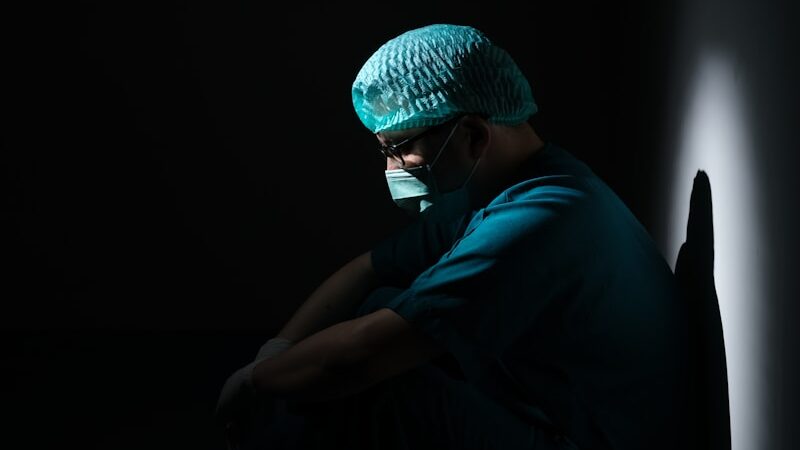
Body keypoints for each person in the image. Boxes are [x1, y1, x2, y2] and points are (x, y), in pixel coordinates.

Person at [215, 23, 699, 450]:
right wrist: (276, 351)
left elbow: (358, 358)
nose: (389, 169)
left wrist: (255, 383)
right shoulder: (523, 183)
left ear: (472, 135)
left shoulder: (535, 224)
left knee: (379, 388)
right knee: (381, 302)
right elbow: (369, 268)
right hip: (558, 403)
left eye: (399, 149)